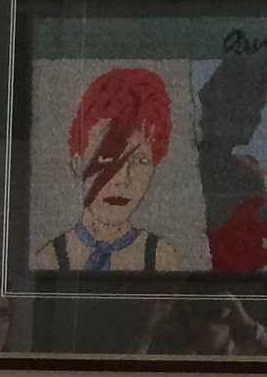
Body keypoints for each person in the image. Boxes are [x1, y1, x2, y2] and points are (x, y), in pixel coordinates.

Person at [34, 67, 176, 273]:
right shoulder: (47, 260)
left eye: (140, 160)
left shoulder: (162, 259)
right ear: (77, 160)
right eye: (107, 156)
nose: (122, 179)